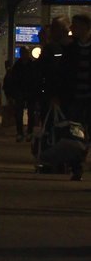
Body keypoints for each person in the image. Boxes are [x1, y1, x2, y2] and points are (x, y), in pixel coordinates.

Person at [58, 12, 91, 180]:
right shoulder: (70, 49)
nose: (72, 29)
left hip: (87, 99)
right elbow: (63, 74)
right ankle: (76, 167)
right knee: (74, 135)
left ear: (85, 27)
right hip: (75, 99)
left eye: (76, 26)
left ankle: (81, 160)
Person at [2, 49, 37, 141]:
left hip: (25, 92)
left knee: (26, 113)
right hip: (24, 92)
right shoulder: (30, 65)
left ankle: (25, 132)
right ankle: (24, 132)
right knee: (22, 113)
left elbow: (11, 81)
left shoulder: (18, 66)